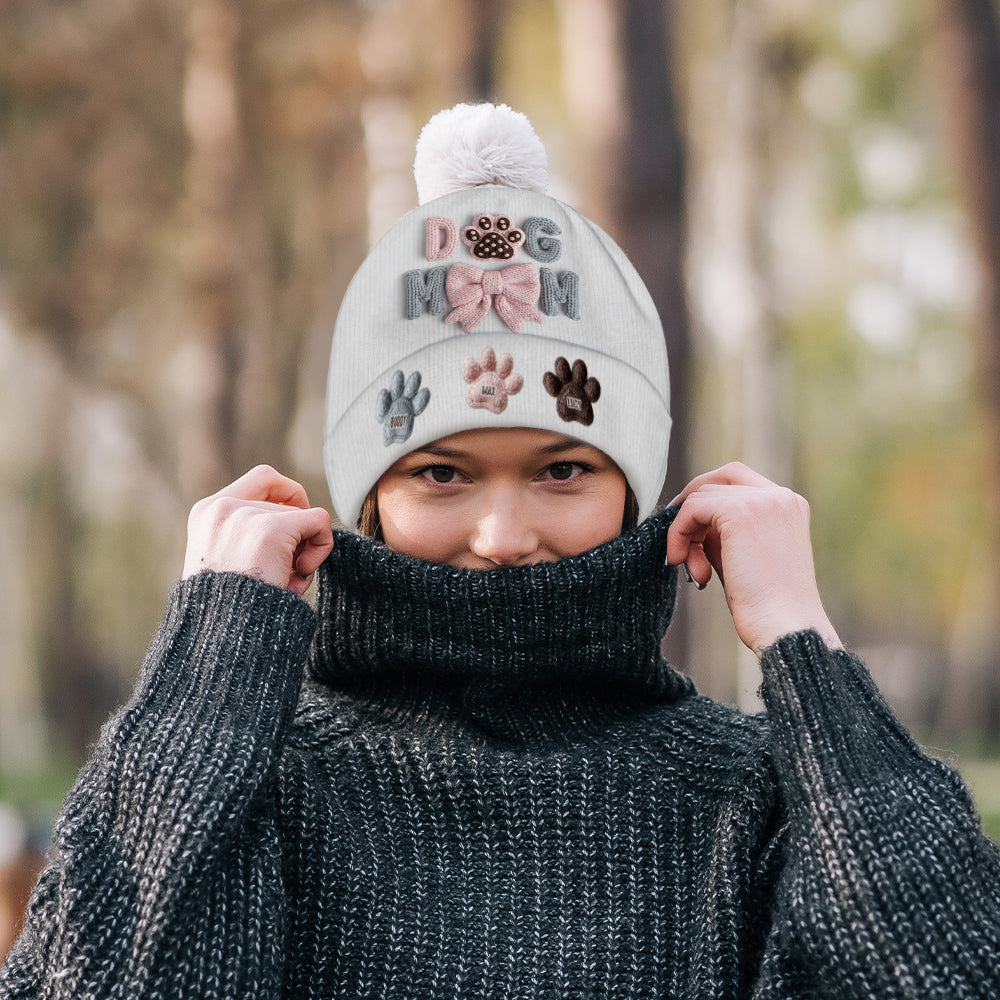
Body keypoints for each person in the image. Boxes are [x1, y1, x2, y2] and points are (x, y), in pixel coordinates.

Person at [2, 103, 998, 1000]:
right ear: (369, 498)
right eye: (441, 473)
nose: (504, 534)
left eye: (562, 469)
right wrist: (200, 686)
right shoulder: (261, 785)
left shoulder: (749, 798)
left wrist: (803, 646)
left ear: (632, 488)